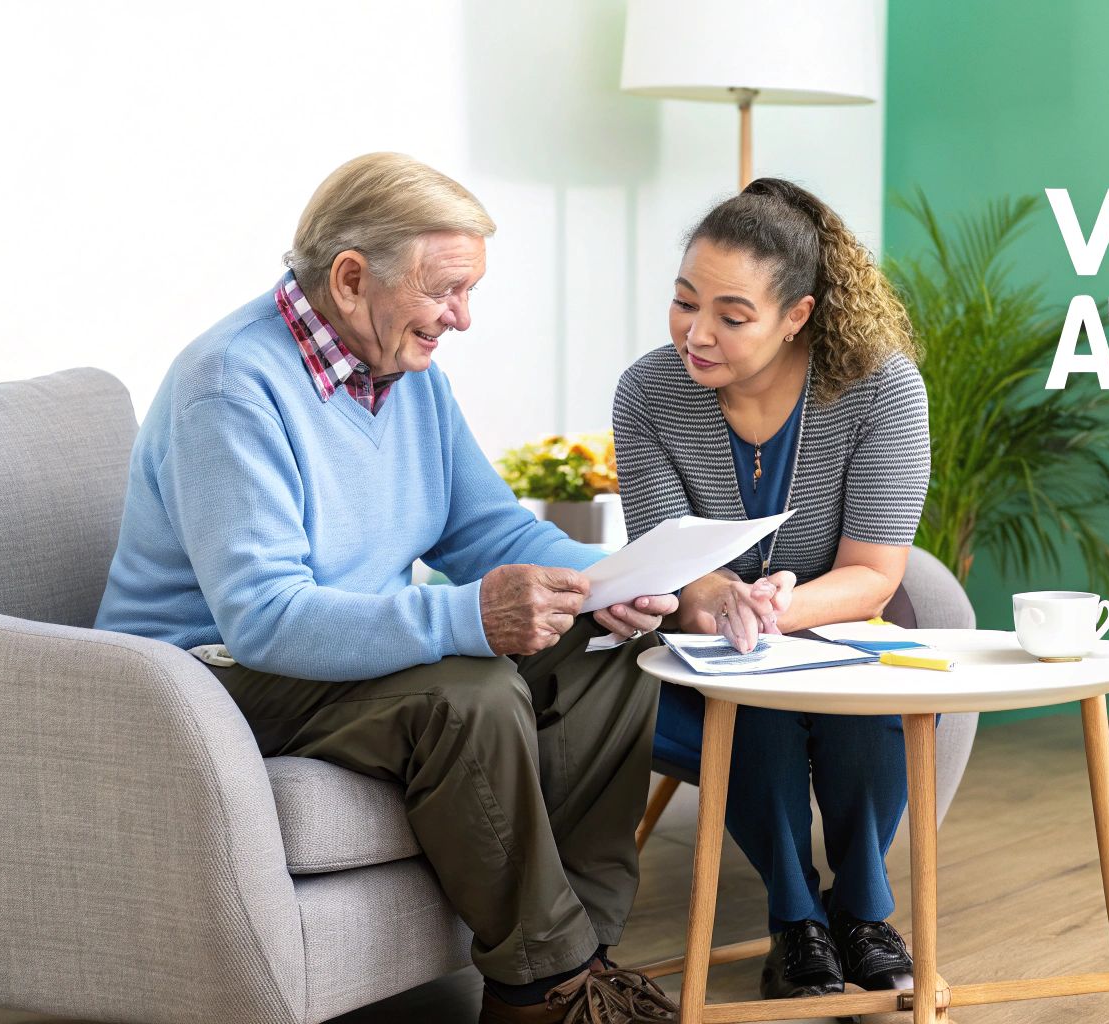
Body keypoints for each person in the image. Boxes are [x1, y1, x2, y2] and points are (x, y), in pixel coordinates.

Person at [94, 152, 678, 1024]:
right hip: (205, 677)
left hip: (336, 656)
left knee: (611, 650)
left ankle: (582, 966)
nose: (464, 317)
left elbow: (487, 529)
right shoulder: (230, 386)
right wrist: (468, 615)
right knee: (468, 694)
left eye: (470, 291)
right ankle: (542, 990)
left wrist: (601, 586)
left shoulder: (408, 376)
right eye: (447, 290)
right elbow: (265, 619)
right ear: (351, 278)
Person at [612, 177, 930, 1003]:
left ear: (796, 316)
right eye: (684, 302)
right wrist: (725, 603)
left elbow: (875, 572)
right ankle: (796, 920)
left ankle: (861, 911)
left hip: (840, 614)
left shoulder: (881, 388)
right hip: (706, 632)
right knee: (750, 698)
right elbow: (671, 560)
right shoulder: (647, 394)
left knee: (856, 701)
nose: (696, 333)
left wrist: (777, 608)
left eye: (731, 315)